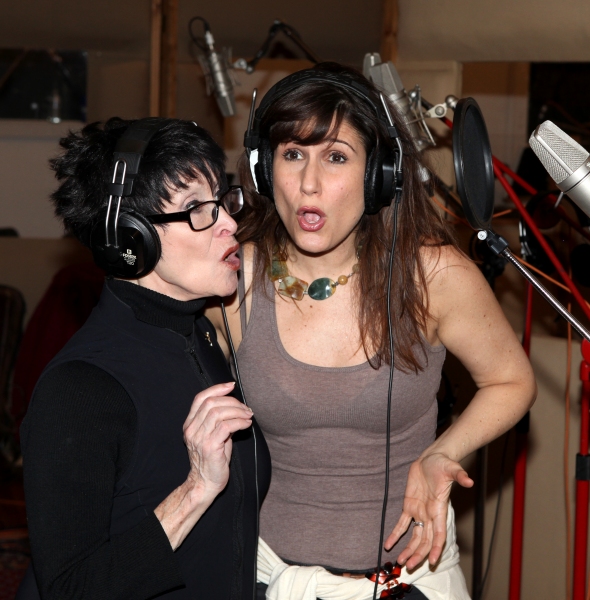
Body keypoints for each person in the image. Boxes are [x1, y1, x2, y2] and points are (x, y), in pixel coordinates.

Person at [207, 63, 536, 599]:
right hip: (271, 580)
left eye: (336, 157)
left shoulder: (435, 276)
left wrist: (442, 453)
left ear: (380, 174)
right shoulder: (230, 281)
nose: (309, 184)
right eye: (292, 155)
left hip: (412, 584)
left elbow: (511, 380)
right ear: (265, 171)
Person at [19, 117, 270, 600]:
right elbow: (71, 589)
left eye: (222, 200)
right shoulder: (81, 388)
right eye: (197, 209)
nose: (230, 224)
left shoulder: (202, 337)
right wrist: (195, 490)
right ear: (132, 239)